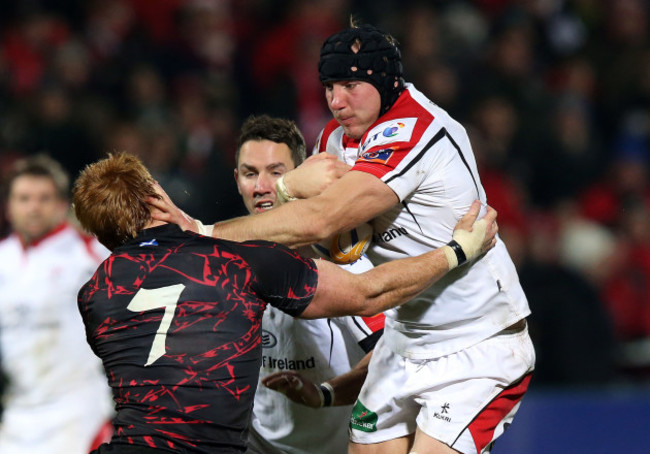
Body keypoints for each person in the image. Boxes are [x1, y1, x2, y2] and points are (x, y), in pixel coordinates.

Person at [151, 20, 535, 454]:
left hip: (477, 341)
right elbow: (317, 239)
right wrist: (331, 393)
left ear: (386, 81)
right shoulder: (337, 138)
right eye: (329, 87)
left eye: (351, 85)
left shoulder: (414, 131)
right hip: (406, 338)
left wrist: (204, 231)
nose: (337, 101)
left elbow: (317, 219)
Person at [72, 151, 497, 454]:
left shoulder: (94, 294)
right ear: (154, 197)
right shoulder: (237, 262)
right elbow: (369, 292)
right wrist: (457, 251)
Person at [232, 114, 384, 454]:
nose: (261, 187)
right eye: (250, 173)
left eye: (276, 172)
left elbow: (387, 354)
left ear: (303, 176)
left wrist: (325, 394)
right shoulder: (222, 265)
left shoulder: (340, 263)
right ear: (237, 180)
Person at [0, 154, 114, 454]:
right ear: (9, 206)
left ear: (62, 205)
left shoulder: (90, 256)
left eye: (43, 198)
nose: (33, 208)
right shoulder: (3, 259)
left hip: (77, 413)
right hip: (16, 416)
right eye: (23, 198)